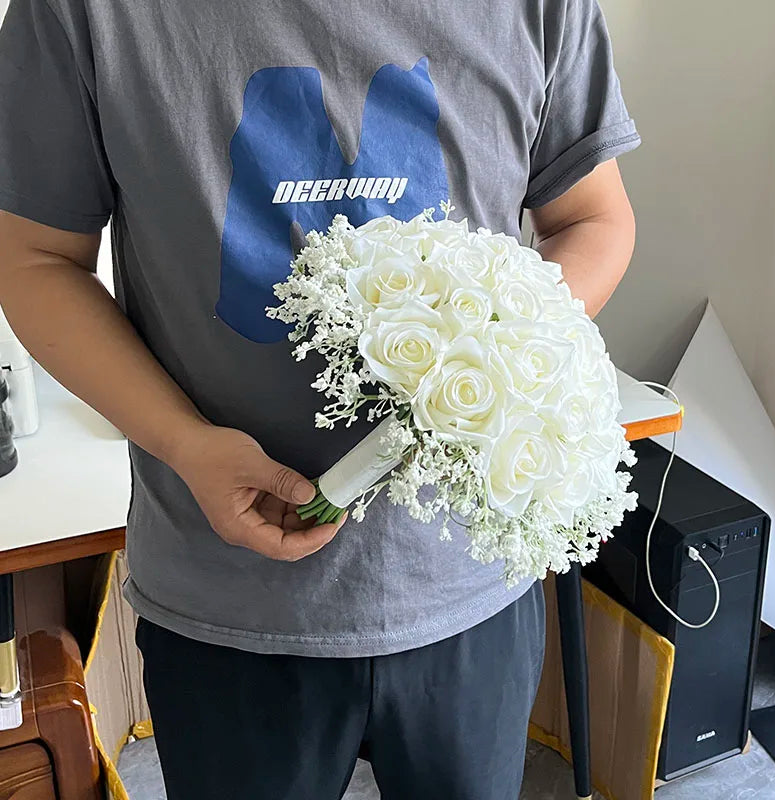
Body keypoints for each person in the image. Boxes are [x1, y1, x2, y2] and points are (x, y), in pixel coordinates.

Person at [0, 0, 639, 796]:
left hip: (470, 582)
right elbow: (33, 258)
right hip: (225, 597)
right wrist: (181, 441)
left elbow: (593, 216)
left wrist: (501, 357)